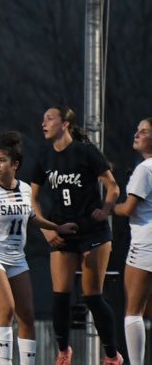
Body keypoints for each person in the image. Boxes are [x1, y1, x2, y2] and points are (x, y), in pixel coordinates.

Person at [0, 132, 70, 365]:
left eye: (2, 160)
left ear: (15, 164)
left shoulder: (26, 190)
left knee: (27, 316)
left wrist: (57, 227)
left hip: (17, 258)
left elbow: (32, 218)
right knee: (6, 307)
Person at [26, 105, 122, 365]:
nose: (43, 123)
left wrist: (105, 209)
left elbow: (112, 187)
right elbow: (32, 198)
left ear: (65, 124)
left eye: (50, 118)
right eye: (43, 118)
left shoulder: (85, 152)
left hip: (93, 231)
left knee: (92, 295)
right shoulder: (44, 155)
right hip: (61, 231)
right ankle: (64, 351)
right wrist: (48, 230)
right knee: (61, 295)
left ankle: (112, 355)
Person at [117, 117, 152, 365]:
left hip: (145, 243)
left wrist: (108, 209)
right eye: (137, 130)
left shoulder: (145, 169)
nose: (137, 134)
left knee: (133, 310)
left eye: (144, 132)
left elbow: (128, 208)